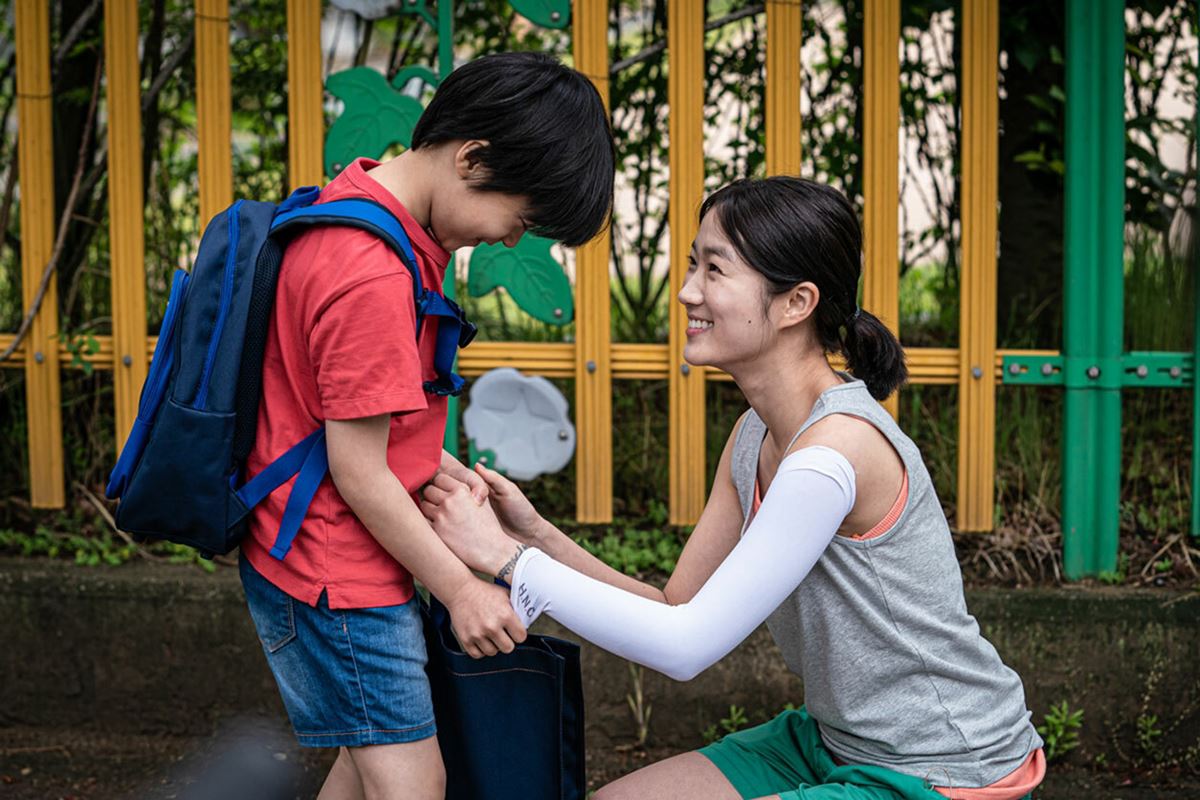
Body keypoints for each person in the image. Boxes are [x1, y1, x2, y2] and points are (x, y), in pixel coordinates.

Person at [421, 177, 1046, 800]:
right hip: (835, 743)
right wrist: (532, 535)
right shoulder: (755, 433)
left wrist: (507, 561)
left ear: (796, 302)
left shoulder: (832, 454)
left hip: (947, 767)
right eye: (693, 263)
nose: (688, 290)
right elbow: (673, 606)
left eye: (715, 270)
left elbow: (684, 647)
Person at [237, 51, 614, 800]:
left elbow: (341, 416)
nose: (512, 240)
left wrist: (433, 467)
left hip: (329, 554)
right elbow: (358, 469)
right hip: (336, 573)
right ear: (472, 158)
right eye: (521, 219)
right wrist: (461, 590)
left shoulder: (364, 211)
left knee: (369, 764)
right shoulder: (373, 271)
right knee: (410, 781)